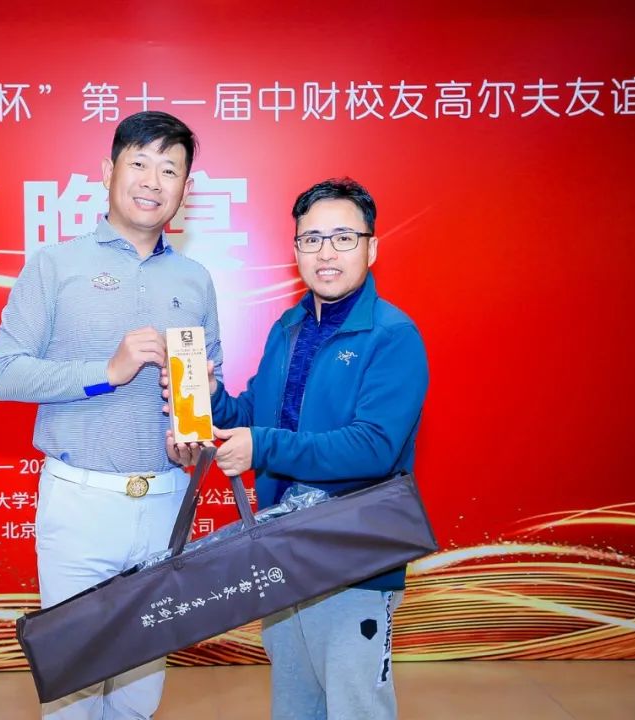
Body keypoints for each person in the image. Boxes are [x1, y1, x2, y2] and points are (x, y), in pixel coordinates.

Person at [0, 111, 222, 720]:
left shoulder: (195, 280)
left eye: (169, 169)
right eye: (139, 162)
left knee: (140, 697)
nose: (152, 180)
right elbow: (2, 374)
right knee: (75, 691)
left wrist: (194, 423)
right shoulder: (54, 265)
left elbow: (209, 382)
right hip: (80, 503)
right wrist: (107, 371)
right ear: (107, 171)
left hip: (166, 502)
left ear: (185, 187)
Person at [194, 177, 428, 719]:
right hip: (282, 550)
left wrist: (262, 445)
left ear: (372, 247)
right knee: (295, 705)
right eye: (311, 239)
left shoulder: (393, 335)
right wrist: (211, 399)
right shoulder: (289, 327)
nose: (326, 253)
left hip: (354, 556)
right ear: (296, 248)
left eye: (344, 238)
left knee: (355, 707)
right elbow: (256, 414)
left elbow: (374, 447)